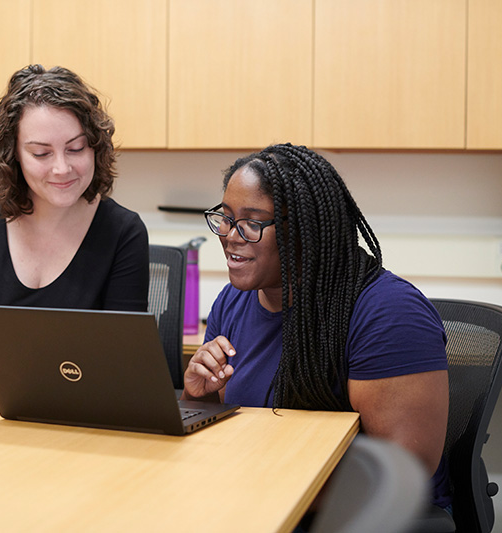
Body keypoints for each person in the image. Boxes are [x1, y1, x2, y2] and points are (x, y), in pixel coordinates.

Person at [182, 143, 452, 513]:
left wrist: (263, 491)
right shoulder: (232, 301)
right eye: (225, 217)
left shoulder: (388, 313)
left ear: (303, 231)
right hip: (257, 497)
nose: (229, 235)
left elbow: (403, 470)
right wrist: (198, 397)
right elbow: (224, 435)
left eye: (252, 222)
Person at [0, 65, 149, 392]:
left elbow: (122, 372)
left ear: (95, 146)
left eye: (76, 148)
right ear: (14, 156)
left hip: (77, 419)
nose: (62, 167)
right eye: (41, 153)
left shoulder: (123, 232)